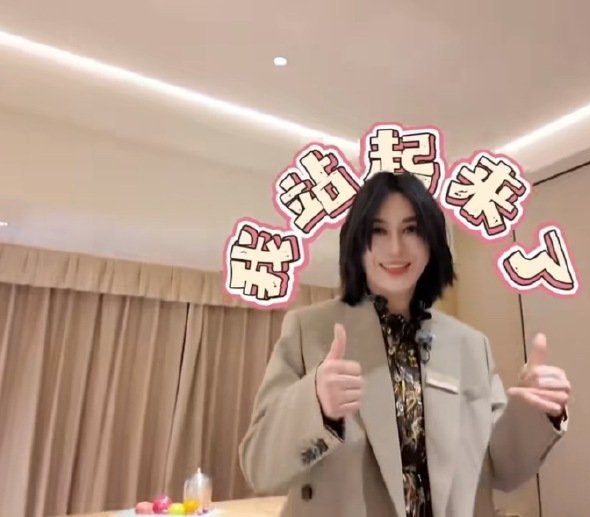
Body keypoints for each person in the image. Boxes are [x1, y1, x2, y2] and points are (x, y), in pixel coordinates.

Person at [239, 171, 570, 517]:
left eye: (411, 229)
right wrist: (317, 405)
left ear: (431, 242)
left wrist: (536, 411)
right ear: (357, 242)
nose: (396, 248)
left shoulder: (471, 345)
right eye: (378, 231)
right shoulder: (310, 331)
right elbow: (258, 467)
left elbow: (502, 470)